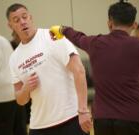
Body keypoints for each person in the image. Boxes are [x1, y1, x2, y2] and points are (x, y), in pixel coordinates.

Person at [50, 0, 139, 135]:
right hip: (132, 117)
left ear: (109, 23)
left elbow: (77, 36)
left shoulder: (95, 43)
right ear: (134, 25)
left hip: (102, 119)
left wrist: (62, 29)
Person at [6, 3, 92, 135]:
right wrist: (26, 89)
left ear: (31, 17)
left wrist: (83, 110)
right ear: (10, 26)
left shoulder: (52, 36)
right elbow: (20, 100)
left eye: (24, 17)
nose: (22, 22)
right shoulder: (14, 58)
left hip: (71, 118)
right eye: (16, 20)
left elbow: (79, 70)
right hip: (39, 126)